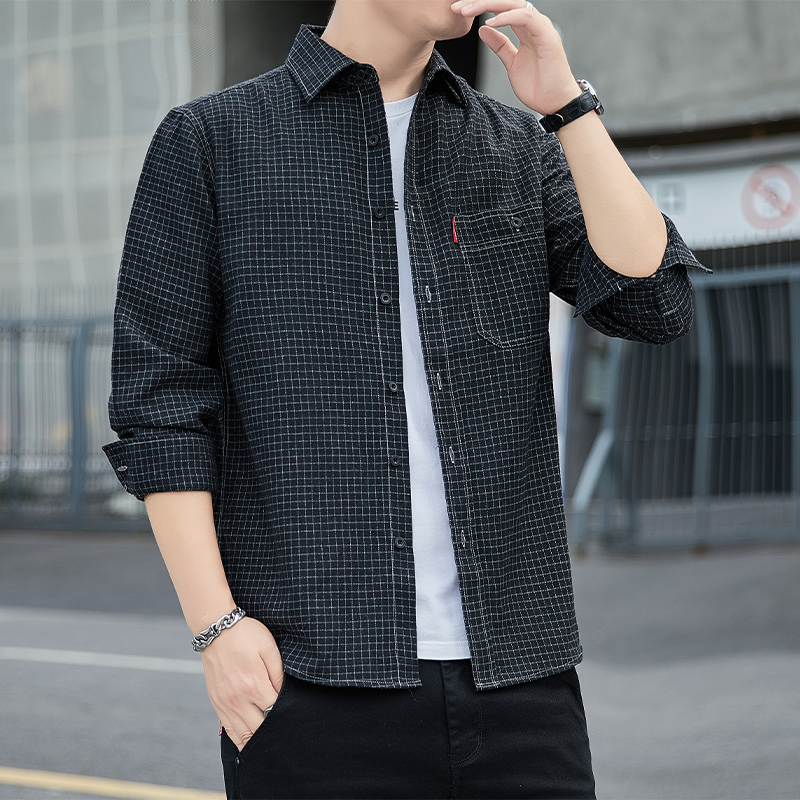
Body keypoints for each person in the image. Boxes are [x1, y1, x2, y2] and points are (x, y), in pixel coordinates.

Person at [103, 0, 708, 797]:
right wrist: (218, 629)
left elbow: (652, 305)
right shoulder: (212, 140)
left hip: (520, 677)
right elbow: (161, 404)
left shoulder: (519, 144)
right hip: (310, 675)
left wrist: (567, 107)